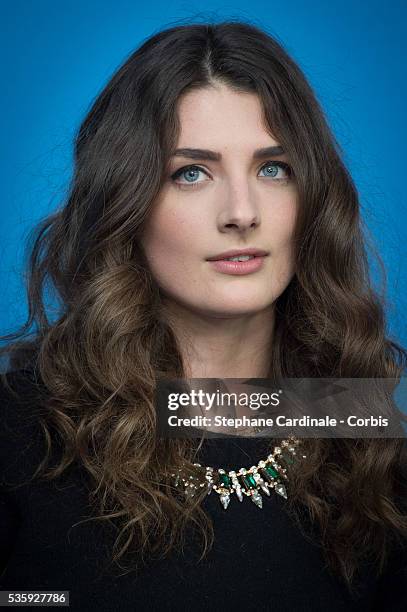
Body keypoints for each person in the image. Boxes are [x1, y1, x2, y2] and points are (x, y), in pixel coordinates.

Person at [1, 20, 406, 611]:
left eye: (274, 168)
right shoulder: (21, 432)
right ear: (127, 203)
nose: (242, 212)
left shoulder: (365, 429)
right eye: (191, 173)